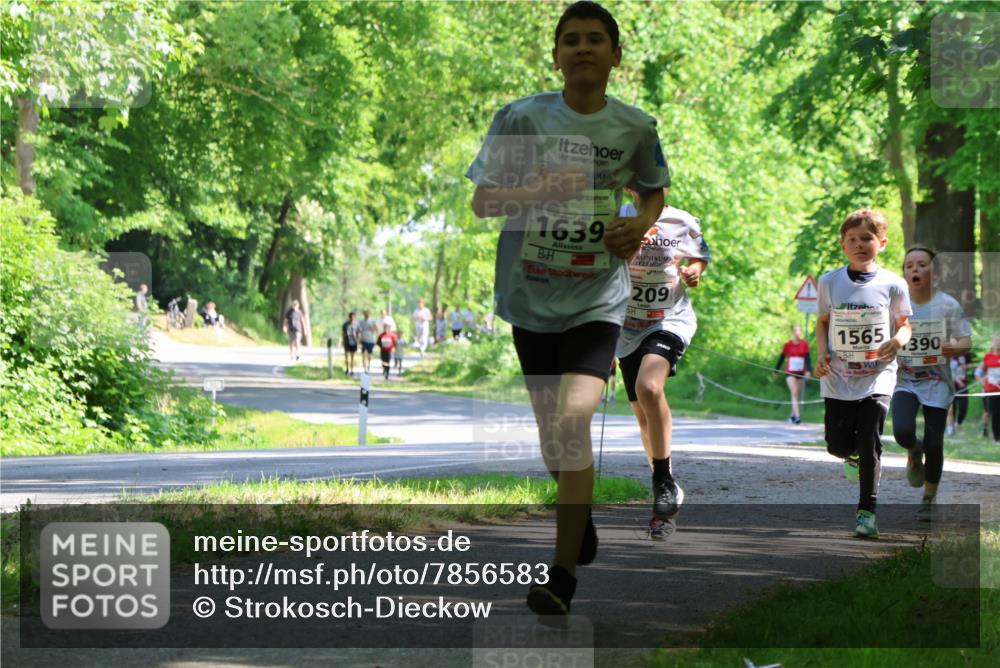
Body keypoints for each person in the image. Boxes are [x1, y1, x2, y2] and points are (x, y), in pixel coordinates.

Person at [466, 0, 669, 616]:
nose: (582, 49)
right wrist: (534, 192)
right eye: (571, 40)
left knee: (572, 423)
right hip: (529, 297)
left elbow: (653, 192)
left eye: (595, 40)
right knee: (553, 440)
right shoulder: (522, 118)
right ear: (555, 55)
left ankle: (561, 577)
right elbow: (481, 203)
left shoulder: (634, 127)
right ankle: (577, 523)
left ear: (614, 55)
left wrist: (636, 226)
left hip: (596, 299)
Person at [615, 192, 710, 539]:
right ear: (629, 188)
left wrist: (693, 272)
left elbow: (701, 258)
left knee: (649, 387)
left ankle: (663, 482)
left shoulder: (683, 221)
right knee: (643, 415)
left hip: (669, 319)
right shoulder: (616, 216)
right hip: (627, 327)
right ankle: (665, 489)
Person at [814, 208, 912, 539]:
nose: (860, 245)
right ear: (843, 245)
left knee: (871, 442)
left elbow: (905, 325)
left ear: (881, 243)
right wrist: (822, 352)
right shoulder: (829, 282)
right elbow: (823, 322)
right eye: (852, 240)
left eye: (867, 239)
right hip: (839, 377)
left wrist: (898, 340)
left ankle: (866, 512)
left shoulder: (894, 285)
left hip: (878, 376)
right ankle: (849, 454)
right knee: (837, 446)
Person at [891, 246, 972, 518]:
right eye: (909, 265)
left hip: (937, 381)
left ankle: (928, 497)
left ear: (934, 272)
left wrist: (953, 347)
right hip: (905, 379)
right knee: (902, 431)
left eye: (922, 264)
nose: (915, 269)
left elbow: (966, 341)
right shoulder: (897, 305)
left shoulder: (947, 304)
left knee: (935, 443)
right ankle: (914, 451)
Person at [773, 324, 812, 424]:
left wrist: (808, 371)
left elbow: (807, 359)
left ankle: (792, 416)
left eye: (799, 331)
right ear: (792, 332)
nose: (797, 333)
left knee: (796, 394)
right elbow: (782, 358)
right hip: (790, 372)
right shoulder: (788, 345)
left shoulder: (804, 344)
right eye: (795, 331)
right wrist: (776, 371)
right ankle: (797, 417)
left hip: (800, 372)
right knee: (794, 392)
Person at [976, 334, 1000, 441]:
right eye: (996, 340)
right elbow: (978, 372)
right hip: (991, 391)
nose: (998, 342)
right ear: (993, 342)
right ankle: (996, 437)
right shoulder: (988, 356)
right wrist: (983, 382)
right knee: (993, 413)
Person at [948, 351, 973, 435]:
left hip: (963, 385)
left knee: (963, 406)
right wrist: (957, 380)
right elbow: (948, 369)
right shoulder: (948, 352)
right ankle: (950, 428)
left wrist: (966, 366)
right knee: (951, 408)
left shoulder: (965, 352)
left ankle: (958, 423)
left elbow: (970, 363)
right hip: (950, 385)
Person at [358, 310, 378, 374]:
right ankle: (365, 368)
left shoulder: (372, 321)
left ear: (369, 314)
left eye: (367, 314)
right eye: (365, 314)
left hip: (371, 340)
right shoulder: (361, 322)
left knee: (369, 355)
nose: (366, 315)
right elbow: (359, 331)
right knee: (363, 354)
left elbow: (376, 329)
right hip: (363, 340)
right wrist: (359, 340)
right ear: (364, 314)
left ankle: (369, 364)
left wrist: (373, 329)